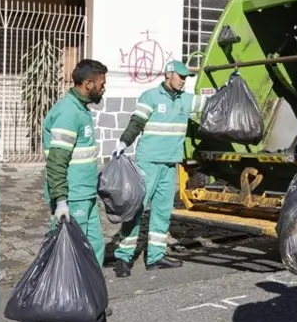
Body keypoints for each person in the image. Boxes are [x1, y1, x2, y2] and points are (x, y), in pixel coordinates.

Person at [111, 60, 209, 277]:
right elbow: (137, 122)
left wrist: (232, 86)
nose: (184, 81)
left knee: (162, 212)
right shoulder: (151, 97)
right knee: (135, 209)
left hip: (169, 163)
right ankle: (124, 257)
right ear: (169, 75)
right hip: (149, 162)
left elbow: (210, 104)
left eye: (186, 78)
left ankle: (155, 257)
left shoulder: (186, 100)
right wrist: (124, 142)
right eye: (181, 77)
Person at [43, 59, 109, 266]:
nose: (103, 88)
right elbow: (56, 162)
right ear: (88, 84)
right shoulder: (68, 112)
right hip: (73, 196)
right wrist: (61, 200)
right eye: (101, 84)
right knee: (71, 252)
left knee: (95, 245)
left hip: (86, 194)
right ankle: (67, 295)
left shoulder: (81, 109)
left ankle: (89, 293)